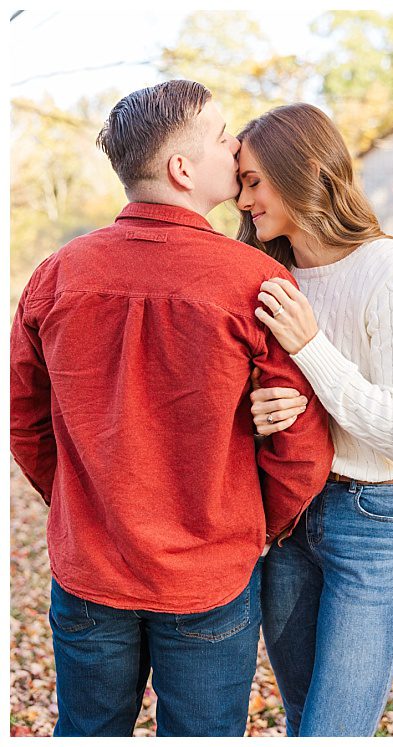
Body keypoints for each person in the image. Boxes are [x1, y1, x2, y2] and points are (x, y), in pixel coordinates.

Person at [9, 80, 334, 737]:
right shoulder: (255, 282)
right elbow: (300, 443)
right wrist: (249, 525)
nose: (236, 144)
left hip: (92, 568)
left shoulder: (57, 274)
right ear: (182, 169)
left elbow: (25, 422)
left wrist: (81, 504)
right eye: (222, 137)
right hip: (208, 575)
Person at [233, 103, 393, 737]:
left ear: (301, 173)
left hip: (376, 520)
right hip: (290, 513)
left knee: (333, 731)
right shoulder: (270, 273)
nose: (242, 200)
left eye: (253, 181)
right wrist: (260, 410)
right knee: (303, 720)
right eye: (239, 182)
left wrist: (311, 348)